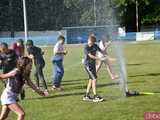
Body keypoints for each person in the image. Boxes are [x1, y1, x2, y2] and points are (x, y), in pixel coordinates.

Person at [83, 35, 106, 102]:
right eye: (89, 42)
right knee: (94, 79)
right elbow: (91, 56)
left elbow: (101, 51)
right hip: (88, 65)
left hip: (92, 65)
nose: (89, 43)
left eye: (91, 43)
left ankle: (86, 95)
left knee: (91, 79)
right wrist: (100, 58)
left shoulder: (95, 46)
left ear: (93, 42)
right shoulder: (86, 47)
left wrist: (107, 56)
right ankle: (95, 96)